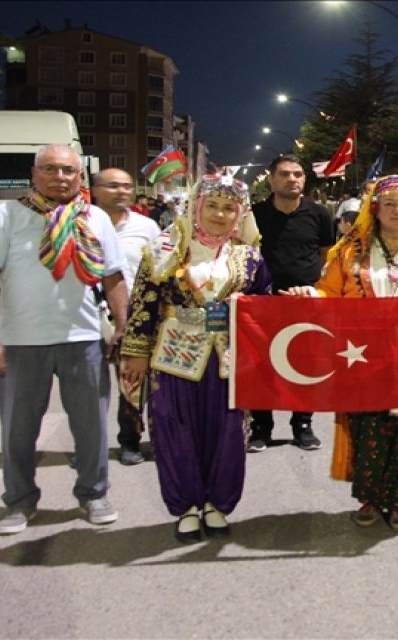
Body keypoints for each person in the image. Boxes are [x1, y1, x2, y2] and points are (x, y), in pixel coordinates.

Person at [0, 144, 128, 535]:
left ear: (79, 176)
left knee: (91, 427)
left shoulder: (96, 219)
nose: (61, 177)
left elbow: (114, 278)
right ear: (34, 174)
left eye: (69, 171)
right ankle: (19, 502)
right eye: (51, 169)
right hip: (21, 342)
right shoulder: (7, 215)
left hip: (84, 339)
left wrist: (124, 330)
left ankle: (93, 493)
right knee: (18, 430)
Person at [287, 175, 398, 532]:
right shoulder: (349, 252)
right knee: (369, 428)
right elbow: (328, 293)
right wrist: (310, 296)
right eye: (390, 204)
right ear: (376, 209)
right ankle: (371, 497)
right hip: (363, 357)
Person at [121, 174, 268, 542]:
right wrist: (136, 353)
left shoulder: (248, 257)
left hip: (228, 359)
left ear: (239, 213)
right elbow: (143, 304)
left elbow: (265, 304)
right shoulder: (164, 249)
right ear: (196, 208)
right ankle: (186, 506)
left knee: (229, 433)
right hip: (174, 354)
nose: (219, 215)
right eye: (212, 206)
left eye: (228, 208)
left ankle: (218, 503)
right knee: (175, 429)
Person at [249, 154, 336, 452]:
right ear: (271, 179)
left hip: (306, 302)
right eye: (285, 174)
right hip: (262, 302)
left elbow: (326, 254)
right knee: (261, 365)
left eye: (298, 174)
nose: (292, 179)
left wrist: (310, 286)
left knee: (304, 365)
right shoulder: (253, 214)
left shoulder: (319, 214)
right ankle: (261, 427)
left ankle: (303, 425)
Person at [91, 168, 161, 466]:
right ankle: (90, 449)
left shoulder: (146, 227)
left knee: (133, 381)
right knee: (92, 388)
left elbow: (162, 267)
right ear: (94, 190)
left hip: (136, 315)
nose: (121, 191)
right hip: (90, 316)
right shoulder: (80, 224)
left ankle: (132, 441)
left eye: (127, 186)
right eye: (112, 186)